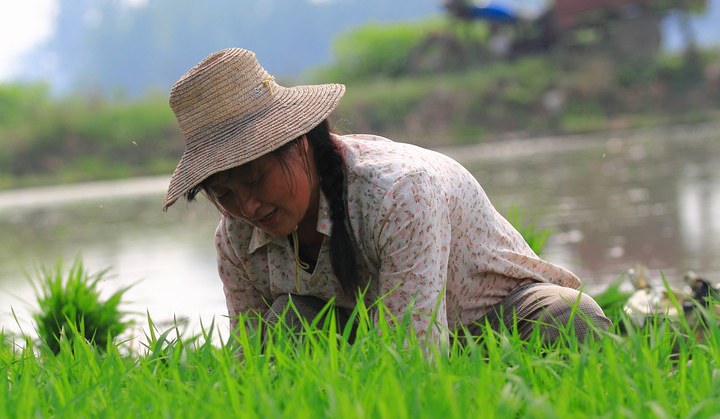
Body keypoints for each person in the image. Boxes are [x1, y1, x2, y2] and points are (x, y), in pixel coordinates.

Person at [163, 47, 610, 349]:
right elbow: (252, 363)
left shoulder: (399, 191)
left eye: (256, 180)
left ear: (298, 143)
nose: (247, 207)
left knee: (567, 316)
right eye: (225, 194)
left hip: (491, 328)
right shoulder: (236, 240)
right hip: (370, 338)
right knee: (288, 321)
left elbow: (412, 356)